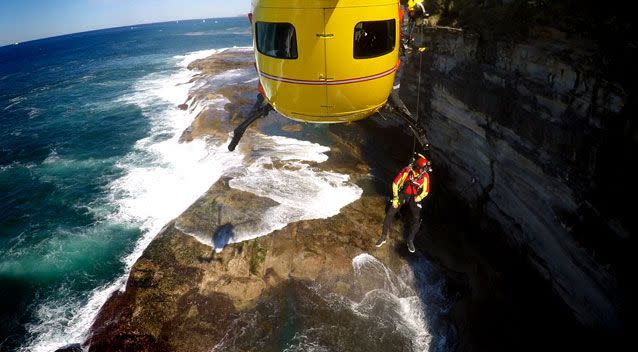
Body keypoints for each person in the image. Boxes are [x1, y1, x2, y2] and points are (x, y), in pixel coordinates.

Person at [376, 153, 430, 253]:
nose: (425, 171)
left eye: (425, 169)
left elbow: (426, 191)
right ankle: (383, 236)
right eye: (423, 169)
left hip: (414, 196)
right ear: (418, 167)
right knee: (390, 212)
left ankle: (410, 240)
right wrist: (396, 198)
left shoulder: (425, 176)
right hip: (403, 194)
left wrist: (419, 197)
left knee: (417, 219)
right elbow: (395, 184)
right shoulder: (407, 171)